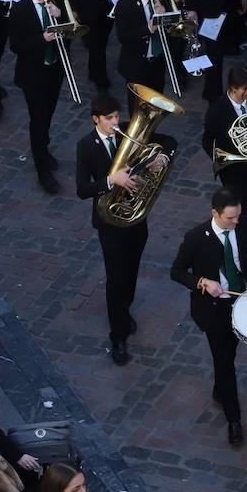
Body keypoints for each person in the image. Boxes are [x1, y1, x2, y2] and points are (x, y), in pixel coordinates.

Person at [169, 187, 247, 446]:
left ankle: (220, 389)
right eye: (230, 218)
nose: (236, 222)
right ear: (215, 213)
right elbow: (176, 272)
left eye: (239, 216)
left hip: (242, 300)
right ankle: (234, 418)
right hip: (214, 309)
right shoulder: (196, 238)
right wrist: (202, 282)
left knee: (228, 355)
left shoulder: (245, 225)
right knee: (224, 361)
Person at [76, 95, 173, 364]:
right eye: (109, 119)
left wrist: (161, 157)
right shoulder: (86, 146)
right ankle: (117, 335)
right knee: (115, 277)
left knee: (131, 271)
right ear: (96, 119)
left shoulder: (128, 131)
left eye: (117, 116)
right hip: (109, 222)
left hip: (135, 218)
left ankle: (124, 310)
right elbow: (82, 189)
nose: (115, 122)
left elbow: (169, 141)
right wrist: (110, 180)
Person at [8, 0, 72, 193]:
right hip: (32, 74)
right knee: (38, 120)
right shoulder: (21, 10)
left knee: (48, 115)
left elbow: (70, 36)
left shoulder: (58, 5)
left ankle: (43, 150)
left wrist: (61, 17)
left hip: (54, 70)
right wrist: (42, 39)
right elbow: (15, 45)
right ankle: (42, 171)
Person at [203, 65, 247, 217]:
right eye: (246, 88)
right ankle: (245, 233)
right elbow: (207, 140)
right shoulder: (217, 109)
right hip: (232, 169)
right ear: (233, 87)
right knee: (241, 206)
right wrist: (220, 159)